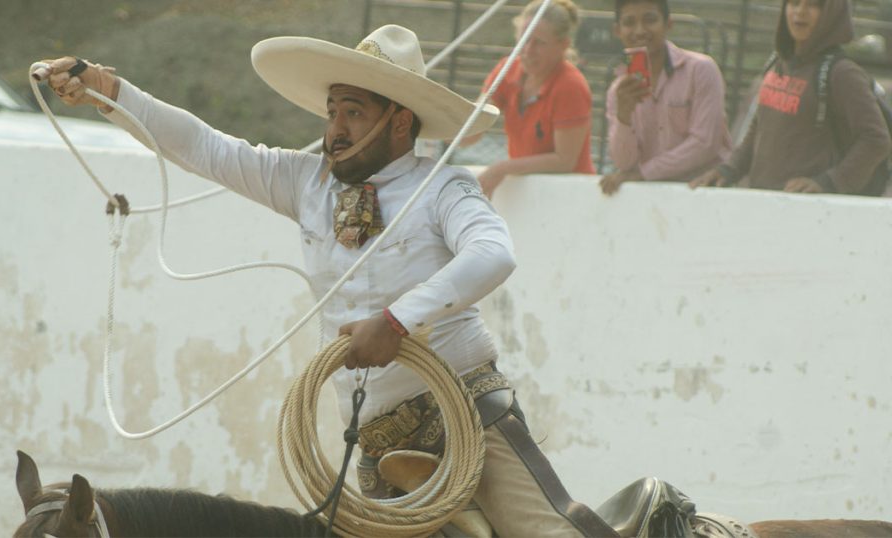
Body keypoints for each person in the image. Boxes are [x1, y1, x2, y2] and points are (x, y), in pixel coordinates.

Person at [43, 24, 617, 538]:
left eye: (353, 114)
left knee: (548, 534)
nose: (335, 130)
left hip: (468, 417)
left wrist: (396, 322)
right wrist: (111, 93)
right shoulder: (305, 182)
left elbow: (494, 253)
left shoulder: (444, 188)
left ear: (398, 122)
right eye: (332, 113)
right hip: (376, 441)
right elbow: (203, 146)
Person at [691, 0, 891, 195]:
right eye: (794, 3)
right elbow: (760, 125)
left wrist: (830, 182)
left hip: (810, 212)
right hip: (763, 202)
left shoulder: (842, 73)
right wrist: (729, 169)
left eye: (813, 4)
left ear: (832, 13)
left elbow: (876, 139)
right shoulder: (778, 62)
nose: (800, 11)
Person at [599, 0, 732, 195]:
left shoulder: (701, 70)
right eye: (629, 23)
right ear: (617, 31)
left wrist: (645, 173)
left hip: (704, 193)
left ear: (668, 24)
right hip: (653, 197)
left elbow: (705, 143)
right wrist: (623, 117)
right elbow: (624, 162)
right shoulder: (618, 90)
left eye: (650, 20)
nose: (640, 31)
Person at [467, 0, 595, 199]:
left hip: (571, 195)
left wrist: (502, 168)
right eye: (523, 39)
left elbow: (564, 160)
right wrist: (438, 125)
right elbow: (473, 129)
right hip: (528, 193)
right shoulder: (507, 69)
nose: (527, 50)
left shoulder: (571, 86)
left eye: (539, 43)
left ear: (563, 45)